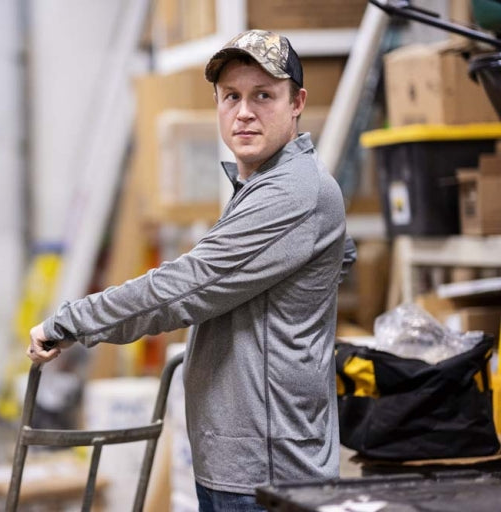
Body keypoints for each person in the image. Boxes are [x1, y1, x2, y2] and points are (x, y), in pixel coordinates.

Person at [27, 29, 356, 512]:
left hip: (267, 475)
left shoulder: (291, 192)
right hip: (240, 459)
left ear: (297, 103)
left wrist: (71, 322)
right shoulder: (265, 185)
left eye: (263, 95)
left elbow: (184, 288)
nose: (244, 112)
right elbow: (339, 253)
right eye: (231, 97)